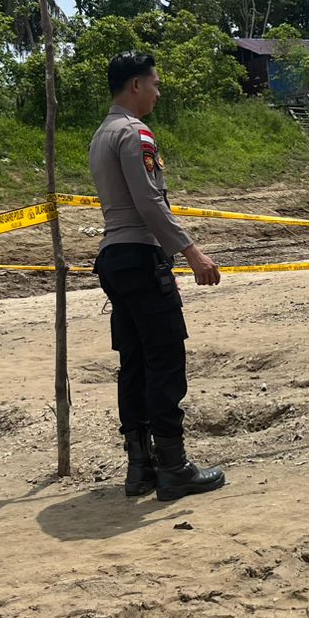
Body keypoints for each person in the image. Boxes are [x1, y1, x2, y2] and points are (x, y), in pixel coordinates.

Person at [89, 51, 226, 502]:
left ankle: (140, 466)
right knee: (165, 359)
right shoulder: (134, 133)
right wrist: (192, 252)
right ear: (135, 85)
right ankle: (174, 467)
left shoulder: (101, 134)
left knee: (134, 363)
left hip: (114, 258)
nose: (158, 91)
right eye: (155, 83)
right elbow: (150, 203)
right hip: (141, 257)